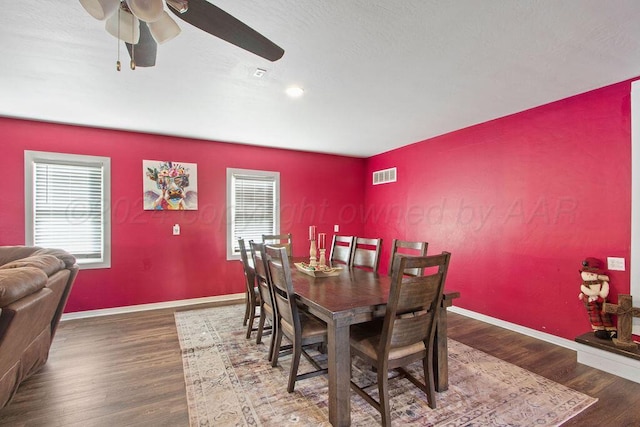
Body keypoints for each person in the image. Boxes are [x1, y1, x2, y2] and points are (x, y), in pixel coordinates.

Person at [578, 257, 617, 339]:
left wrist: (602, 294)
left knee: (605, 313)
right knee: (593, 314)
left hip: (601, 299)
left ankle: (610, 329)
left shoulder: (601, 282)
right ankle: (599, 329)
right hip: (590, 300)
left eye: (591, 274)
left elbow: (605, 289)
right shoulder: (585, 284)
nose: (589, 275)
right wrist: (584, 293)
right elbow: (584, 289)